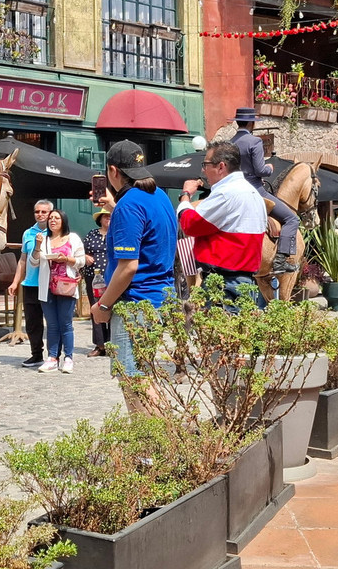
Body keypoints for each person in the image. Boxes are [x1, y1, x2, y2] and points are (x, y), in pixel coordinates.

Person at [90, 140, 177, 412]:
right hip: (159, 296)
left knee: (132, 378)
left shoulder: (129, 205)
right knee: (142, 374)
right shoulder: (159, 195)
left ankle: (160, 436)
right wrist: (115, 206)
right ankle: (164, 432)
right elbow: (147, 228)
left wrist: (103, 305)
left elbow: (128, 267)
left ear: (113, 171)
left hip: (136, 302)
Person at [177, 141, 266, 305]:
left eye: (206, 165)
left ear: (221, 167)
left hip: (223, 283)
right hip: (244, 280)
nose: (203, 170)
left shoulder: (226, 193)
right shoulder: (253, 192)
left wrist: (185, 196)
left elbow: (190, 225)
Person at [230, 107, 299, 274]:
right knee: (292, 218)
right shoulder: (254, 142)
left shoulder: (229, 142)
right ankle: (280, 261)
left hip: (233, 190)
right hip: (255, 190)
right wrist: (269, 168)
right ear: (251, 123)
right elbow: (260, 170)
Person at [31, 209, 84, 374]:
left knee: (65, 323)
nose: (52, 220)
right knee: (52, 324)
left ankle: (68, 357)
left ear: (63, 221)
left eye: (56, 218)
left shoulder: (72, 238)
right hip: (47, 286)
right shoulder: (44, 239)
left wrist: (66, 259)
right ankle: (52, 357)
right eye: (50, 218)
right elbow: (33, 262)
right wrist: (37, 246)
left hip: (66, 285)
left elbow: (81, 260)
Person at [7, 199, 53, 368]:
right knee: (33, 323)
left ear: (50, 214)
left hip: (50, 284)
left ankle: (54, 355)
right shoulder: (28, 233)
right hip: (31, 283)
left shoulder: (55, 232)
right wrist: (15, 282)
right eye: (37, 212)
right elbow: (22, 260)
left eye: (44, 212)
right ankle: (36, 354)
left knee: (52, 322)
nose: (40, 215)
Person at [82, 207, 111, 357]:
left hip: (112, 277)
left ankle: (112, 344)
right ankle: (100, 345)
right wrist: (85, 256)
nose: (108, 219)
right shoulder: (92, 234)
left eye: (110, 216)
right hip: (93, 276)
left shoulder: (118, 233)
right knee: (95, 307)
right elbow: (81, 251)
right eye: (105, 216)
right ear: (100, 219)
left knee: (112, 308)